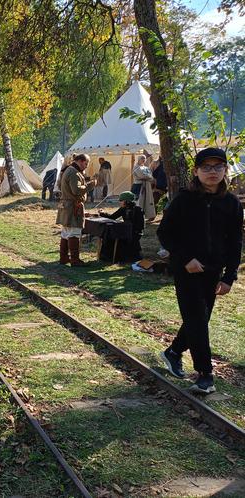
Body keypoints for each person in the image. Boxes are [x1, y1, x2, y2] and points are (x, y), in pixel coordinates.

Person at [157, 148, 243, 394]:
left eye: (218, 167)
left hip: (213, 271)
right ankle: (205, 374)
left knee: (200, 319)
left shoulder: (231, 203)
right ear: (196, 172)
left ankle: (173, 352)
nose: (212, 172)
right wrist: (185, 259)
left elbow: (236, 241)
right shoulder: (184, 199)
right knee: (197, 319)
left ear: (226, 170)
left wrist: (229, 276)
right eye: (206, 167)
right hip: (187, 271)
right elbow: (165, 233)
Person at [56, 153, 96, 266]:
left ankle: (63, 258)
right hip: (72, 207)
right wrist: (90, 185)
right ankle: (75, 260)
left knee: (66, 232)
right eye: (86, 163)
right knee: (74, 233)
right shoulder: (73, 172)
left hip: (67, 205)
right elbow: (76, 191)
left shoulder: (69, 170)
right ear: (79, 161)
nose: (86, 165)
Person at [98, 191, 144, 262]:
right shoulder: (123, 209)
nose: (120, 202)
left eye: (121, 201)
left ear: (127, 201)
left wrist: (130, 229)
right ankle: (109, 257)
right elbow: (113, 217)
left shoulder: (138, 209)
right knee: (110, 236)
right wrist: (102, 213)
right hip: (126, 231)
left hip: (135, 232)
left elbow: (140, 225)